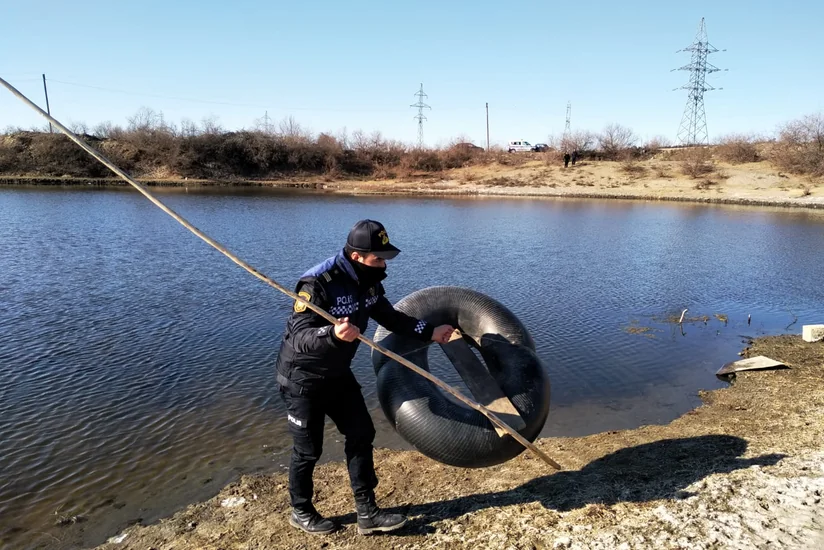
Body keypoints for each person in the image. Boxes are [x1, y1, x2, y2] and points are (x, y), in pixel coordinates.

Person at [275, 219, 455, 535]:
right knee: (308, 450)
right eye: (379, 258)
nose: (384, 264)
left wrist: (430, 332)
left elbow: (391, 317)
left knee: (361, 432)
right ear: (358, 256)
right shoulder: (318, 282)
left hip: (337, 375)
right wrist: (332, 334)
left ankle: (367, 511)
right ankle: (301, 510)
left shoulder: (368, 283)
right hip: (302, 377)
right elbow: (299, 335)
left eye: (385, 257)